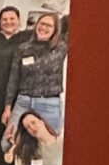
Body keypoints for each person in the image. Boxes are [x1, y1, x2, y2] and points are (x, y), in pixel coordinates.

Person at [7, 8, 66, 138]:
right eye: (41, 23)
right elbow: (13, 78)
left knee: (47, 144)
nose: (43, 27)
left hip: (49, 104)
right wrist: (8, 106)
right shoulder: (23, 48)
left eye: (49, 25)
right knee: (9, 140)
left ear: (56, 30)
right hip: (23, 101)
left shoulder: (61, 48)